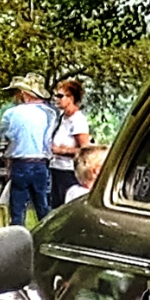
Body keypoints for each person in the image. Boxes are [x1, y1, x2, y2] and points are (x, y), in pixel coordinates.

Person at [1, 75, 54, 228]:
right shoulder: (50, 114)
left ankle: (16, 240)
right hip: (41, 165)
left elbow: (6, 141)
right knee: (42, 207)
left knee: (17, 209)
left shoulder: (11, 114)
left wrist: (8, 166)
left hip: (20, 164)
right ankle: (45, 235)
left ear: (24, 93)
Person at [47, 78, 92, 210]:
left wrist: (62, 151)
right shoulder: (62, 118)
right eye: (56, 96)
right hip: (57, 169)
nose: (57, 99)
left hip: (69, 171)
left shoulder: (77, 120)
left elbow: (85, 150)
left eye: (60, 96)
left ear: (71, 98)